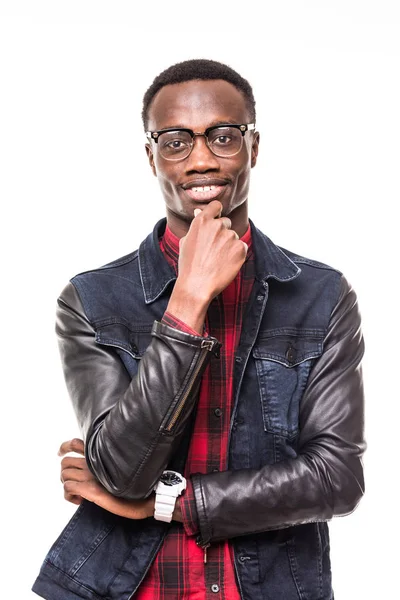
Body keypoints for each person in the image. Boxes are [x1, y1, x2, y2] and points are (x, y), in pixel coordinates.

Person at [32, 59, 366, 600]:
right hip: (126, 586)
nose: (202, 159)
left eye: (224, 137)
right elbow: (122, 473)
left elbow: (336, 478)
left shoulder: (321, 297)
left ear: (253, 148)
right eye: (176, 141)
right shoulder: (92, 301)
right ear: (152, 157)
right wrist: (186, 303)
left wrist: (169, 502)